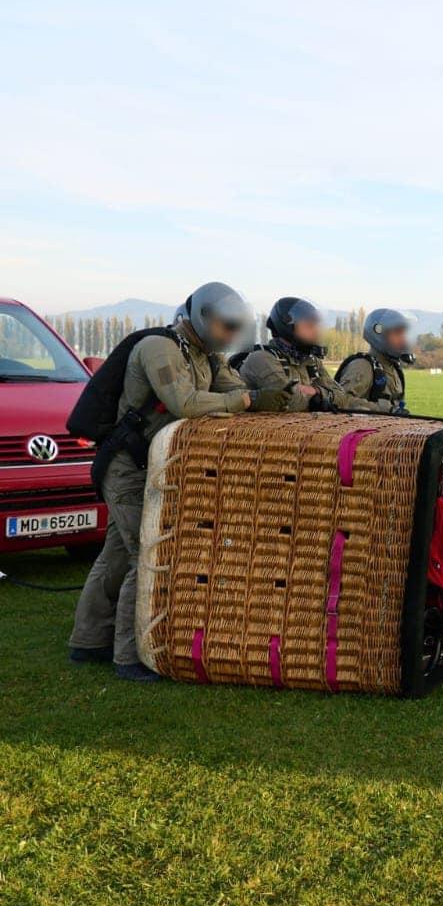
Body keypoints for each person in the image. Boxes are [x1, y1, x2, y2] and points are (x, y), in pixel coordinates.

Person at [68, 282, 288, 682]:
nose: (229, 335)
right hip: (126, 467)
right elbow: (184, 403)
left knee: (116, 554)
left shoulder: (205, 356)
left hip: (149, 464)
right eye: (225, 326)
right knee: (143, 557)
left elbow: (238, 391)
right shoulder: (160, 349)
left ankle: (88, 640)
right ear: (203, 317)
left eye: (234, 328)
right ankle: (128, 655)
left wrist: (265, 396)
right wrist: (241, 401)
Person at [237, 297, 398, 413]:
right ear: (287, 328)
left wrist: (316, 392)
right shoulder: (262, 359)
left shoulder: (311, 362)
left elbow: (342, 398)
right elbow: (288, 401)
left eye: (315, 325)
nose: (316, 331)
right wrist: (323, 396)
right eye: (309, 326)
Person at [336, 308, 415, 413]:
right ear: (379, 335)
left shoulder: (394, 369)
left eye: (403, 333)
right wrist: (385, 410)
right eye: (397, 333)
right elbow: (341, 401)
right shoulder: (363, 366)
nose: (403, 339)